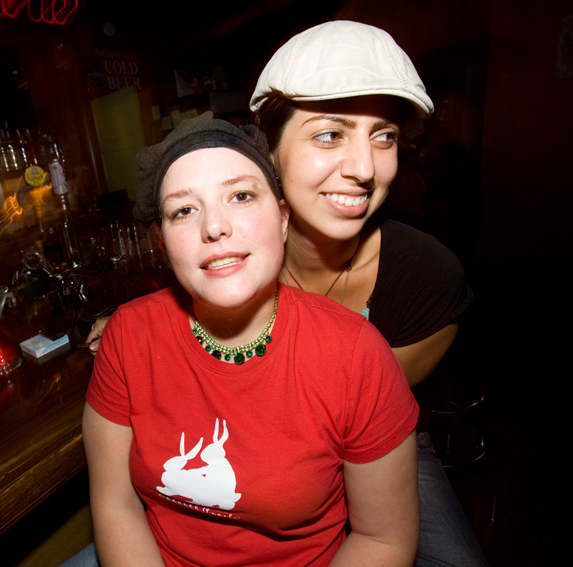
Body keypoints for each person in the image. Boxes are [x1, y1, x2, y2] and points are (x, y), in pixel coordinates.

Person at [87, 20, 487, 567]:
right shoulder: (204, 263)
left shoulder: (424, 280)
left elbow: (341, 417)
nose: (363, 169)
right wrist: (134, 331)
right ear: (271, 156)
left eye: (385, 136)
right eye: (329, 134)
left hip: (366, 439)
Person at [83, 112, 419, 566]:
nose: (214, 227)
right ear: (162, 242)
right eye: (184, 210)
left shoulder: (356, 355)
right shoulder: (127, 334)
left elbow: (383, 540)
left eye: (241, 196)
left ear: (283, 220)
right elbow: (116, 505)